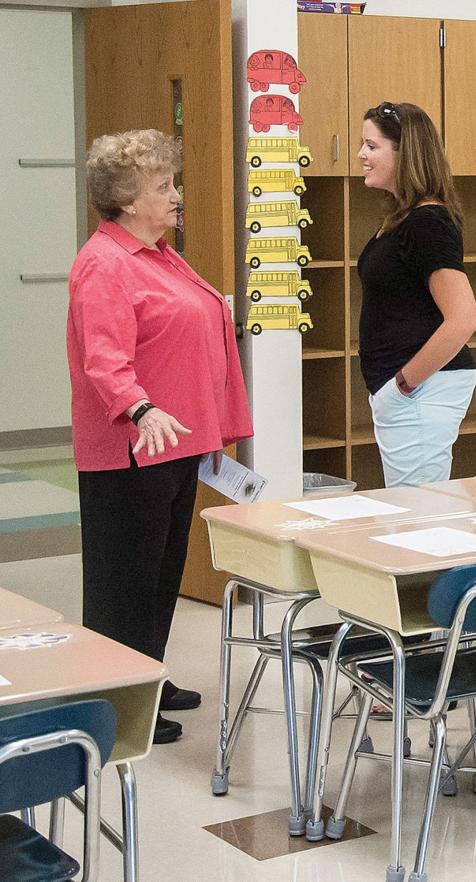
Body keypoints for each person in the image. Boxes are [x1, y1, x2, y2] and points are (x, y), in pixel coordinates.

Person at [68, 130, 253, 744]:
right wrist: (141, 408)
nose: (178, 196)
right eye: (163, 188)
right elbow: (104, 358)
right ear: (125, 200)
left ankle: (147, 673)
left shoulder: (158, 254)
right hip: (131, 449)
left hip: (176, 443)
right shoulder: (104, 263)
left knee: (161, 570)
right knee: (124, 579)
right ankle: (116, 703)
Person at [356, 102, 476, 486]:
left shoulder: (428, 222)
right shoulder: (403, 218)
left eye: (372, 146)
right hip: (404, 391)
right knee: (412, 512)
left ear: (404, 153)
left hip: (420, 391)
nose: (361, 155)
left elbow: (463, 319)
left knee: (418, 518)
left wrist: (404, 385)